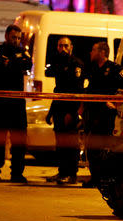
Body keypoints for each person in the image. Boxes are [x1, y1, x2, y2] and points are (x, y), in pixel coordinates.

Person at [82, 42, 123, 188]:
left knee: (102, 147)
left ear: (102, 52)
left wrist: (116, 103)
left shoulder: (114, 69)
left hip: (105, 114)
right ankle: (95, 177)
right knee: (91, 147)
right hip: (91, 112)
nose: (91, 53)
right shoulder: (92, 68)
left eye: (93, 50)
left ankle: (103, 178)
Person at [0, 24, 32, 183]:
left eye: (19, 38)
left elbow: (28, 64)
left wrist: (9, 63)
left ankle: (17, 173)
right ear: (6, 36)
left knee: (19, 140)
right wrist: (15, 62)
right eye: (14, 37)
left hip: (16, 104)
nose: (16, 41)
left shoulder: (23, 52)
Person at [45, 37, 86, 184]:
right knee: (60, 144)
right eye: (60, 46)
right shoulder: (57, 63)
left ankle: (72, 174)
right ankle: (62, 172)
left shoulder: (76, 64)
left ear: (71, 47)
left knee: (71, 144)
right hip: (58, 108)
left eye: (66, 46)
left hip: (70, 110)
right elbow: (58, 91)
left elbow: (77, 90)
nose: (63, 48)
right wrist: (50, 112)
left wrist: (72, 113)